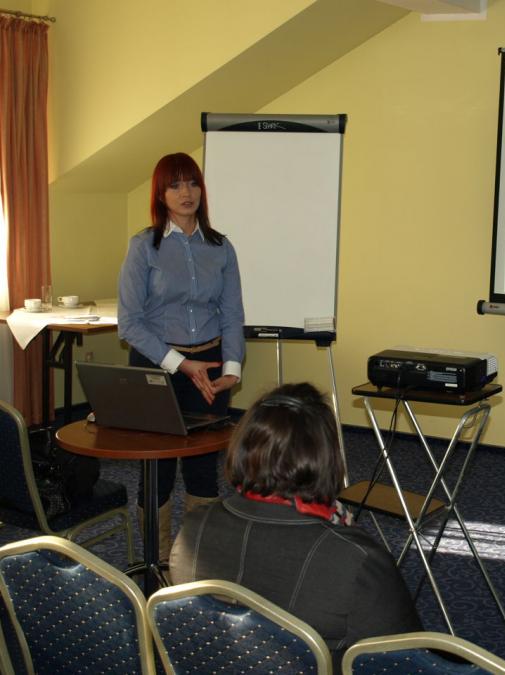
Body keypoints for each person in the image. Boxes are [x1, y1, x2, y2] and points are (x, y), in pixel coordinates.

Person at [169, 383, 422, 664]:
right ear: (327, 456)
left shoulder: (194, 528)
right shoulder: (358, 559)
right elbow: (408, 661)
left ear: (241, 446)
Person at [118, 152, 245, 558]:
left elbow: (232, 314)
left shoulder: (221, 247)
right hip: (156, 367)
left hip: (210, 366)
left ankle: (195, 559)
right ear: (160, 194)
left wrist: (232, 369)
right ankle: (155, 561)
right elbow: (129, 323)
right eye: (174, 185)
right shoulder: (143, 246)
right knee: (156, 467)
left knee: (202, 467)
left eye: (192, 183)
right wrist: (181, 364)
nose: (185, 192)